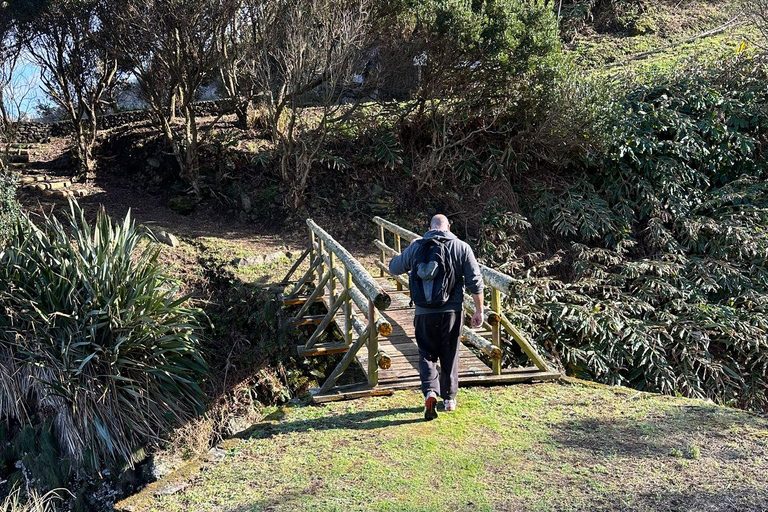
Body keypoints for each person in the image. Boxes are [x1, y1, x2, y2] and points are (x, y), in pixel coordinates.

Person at [388, 214, 484, 420]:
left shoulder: (417, 246)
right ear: (449, 227)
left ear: (429, 228)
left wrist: (410, 249)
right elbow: (475, 282)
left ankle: (431, 391)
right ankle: (449, 399)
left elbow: (393, 267)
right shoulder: (462, 247)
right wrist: (479, 310)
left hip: (424, 312)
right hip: (452, 312)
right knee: (450, 353)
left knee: (426, 354)